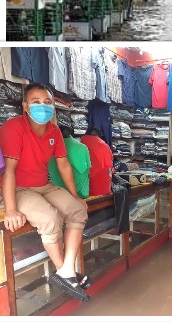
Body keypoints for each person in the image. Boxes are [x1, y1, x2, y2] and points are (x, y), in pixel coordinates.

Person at [0, 83, 91, 302]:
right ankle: (64, 271)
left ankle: (66, 270)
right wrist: (11, 209)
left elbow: (64, 165)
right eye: (36, 102)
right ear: (25, 106)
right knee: (50, 219)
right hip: (19, 188)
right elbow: (8, 171)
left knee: (78, 210)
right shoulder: (13, 127)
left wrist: (75, 195)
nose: (43, 107)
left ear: (54, 106)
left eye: (48, 102)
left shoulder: (54, 130)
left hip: (44, 185)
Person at [49, 126, 91, 199]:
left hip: (58, 193)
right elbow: (86, 172)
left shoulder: (49, 148)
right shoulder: (81, 147)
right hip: (80, 194)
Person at [80, 127, 113, 196]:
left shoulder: (81, 143)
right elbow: (109, 167)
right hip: (103, 187)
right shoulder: (103, 145)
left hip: (84, 188)